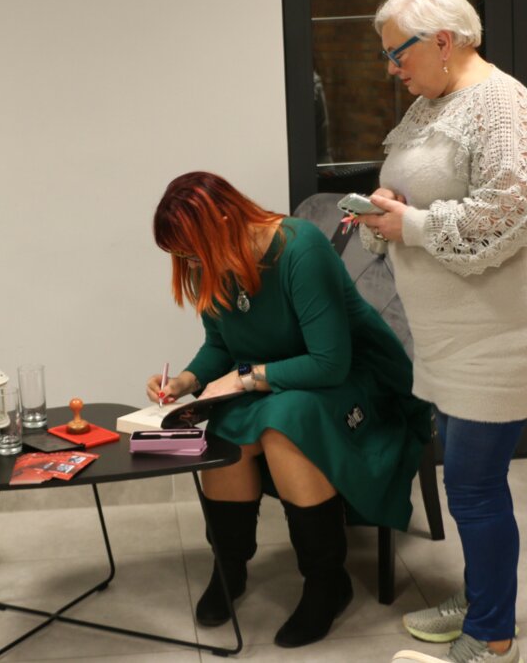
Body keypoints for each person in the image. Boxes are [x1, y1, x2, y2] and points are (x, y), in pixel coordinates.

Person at [354, 0, 527, 663]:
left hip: (502, 333)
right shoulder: (431, 104)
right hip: (453, 335)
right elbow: (424, 191)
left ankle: (492, 637)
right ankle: (483, 599)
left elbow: (509, 213)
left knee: (473, 486)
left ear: (443, 41)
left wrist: (411, 225)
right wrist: (388, 206)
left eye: (398, 53)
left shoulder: (502, 105)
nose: (392, 68)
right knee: (468, 480)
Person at [146, 171, 431, 648]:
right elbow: (220, 344)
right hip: (279, 378)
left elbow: (330, 363)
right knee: (226, 426)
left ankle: (326, 582)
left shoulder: (301, 249)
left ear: (223, 221)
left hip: (354, 379)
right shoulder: (211, 260)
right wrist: (186, 382)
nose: (191, 264)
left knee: (285, 422)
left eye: (193, 252)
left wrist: (244, 377)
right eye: (183, 256)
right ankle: (229, 567)